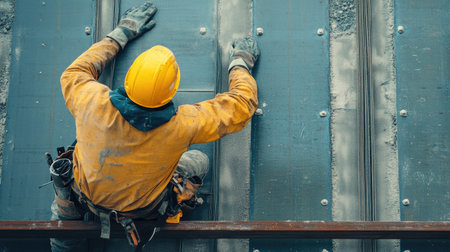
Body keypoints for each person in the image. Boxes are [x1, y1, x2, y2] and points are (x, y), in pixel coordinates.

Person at [50, 1, 259, 251]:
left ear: (129, 79)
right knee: (198, 161)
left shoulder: (91, 101)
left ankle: (66, 224)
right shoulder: (184, 124)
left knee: (64, 236)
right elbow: (242, 105)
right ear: (172, 90)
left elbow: (76, 71)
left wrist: (121, 33)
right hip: (142, 210)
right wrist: (240, 63)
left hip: (86, 197)